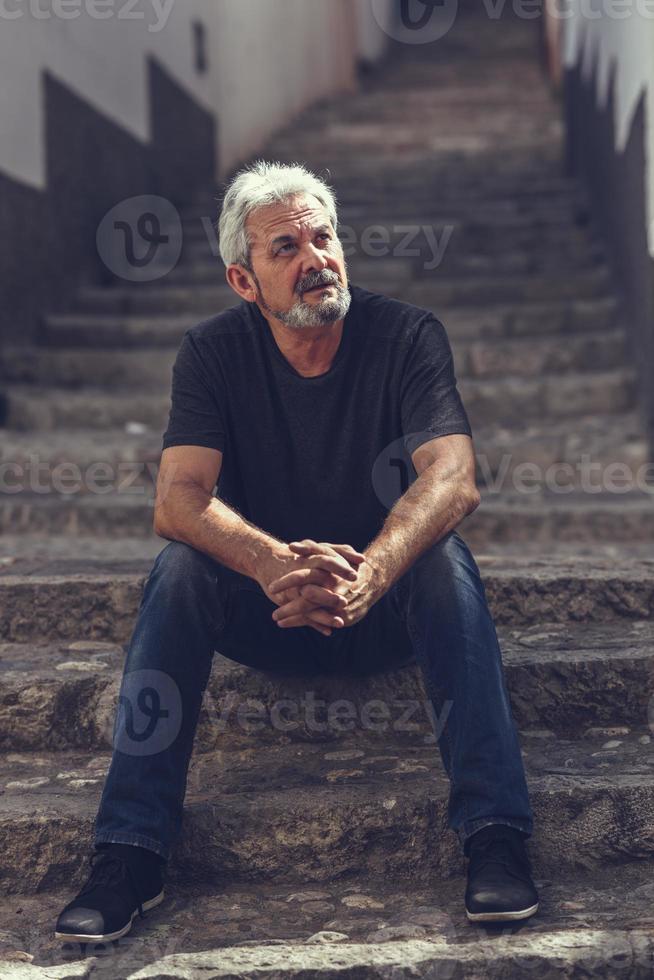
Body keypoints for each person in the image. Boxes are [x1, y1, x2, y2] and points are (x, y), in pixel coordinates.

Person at [55, 161, 538, 944]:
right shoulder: (211, 354)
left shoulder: (408, 335)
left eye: (325, 236)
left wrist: (374, 570)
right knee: (178, 569)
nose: (316, 258)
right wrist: (275, 563)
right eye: (286, 248)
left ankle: (496, 837)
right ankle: (130, 854)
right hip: (267, 613)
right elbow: (178, 500)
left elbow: (453, 477)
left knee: (445, 563)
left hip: (381, 609)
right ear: (244, 283)